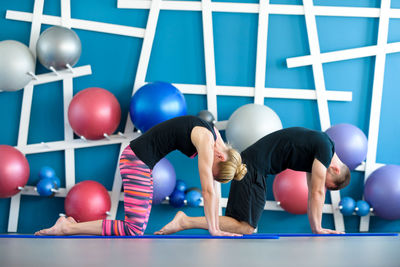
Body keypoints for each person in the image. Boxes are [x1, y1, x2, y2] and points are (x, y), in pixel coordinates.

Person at [35, 115, 247, 237]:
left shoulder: (215, 136)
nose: (208, 168)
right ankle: (67, 227)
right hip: (136, 161)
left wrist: (216, 228)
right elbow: (208, 190)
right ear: (219, 156)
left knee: (134, 228)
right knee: (133, 229)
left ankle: (68, 225)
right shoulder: (206, 140)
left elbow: (214, 190)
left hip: (139, 160)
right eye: (212, 168)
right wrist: (213, 230)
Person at [155, 127, 351, 235]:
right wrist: (317, 229)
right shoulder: (324, 149)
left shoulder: (320, 148)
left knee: (240, 226)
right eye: (328, 182)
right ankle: (185, 221)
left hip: (253, 167)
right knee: (246, 227)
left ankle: (185, 221)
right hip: (252, 168)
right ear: (334, 169)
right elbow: (317, 193)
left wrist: (316, 227)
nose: (322, 183)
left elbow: (312, 192)